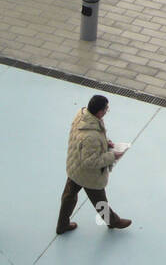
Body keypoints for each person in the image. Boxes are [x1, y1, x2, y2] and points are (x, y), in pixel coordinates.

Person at [56, 94, 132, 234]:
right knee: (100, 201)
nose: (106, 111)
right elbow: (90, 161)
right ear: (99, 112)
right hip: (87, 174)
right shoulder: (91, 136)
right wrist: (112, 155)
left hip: (74, 166)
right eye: (106, 109)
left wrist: (105, 142)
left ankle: (62, 225)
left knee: (68, 196)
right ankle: (113, 222)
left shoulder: (82, 114)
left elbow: (91, 139)